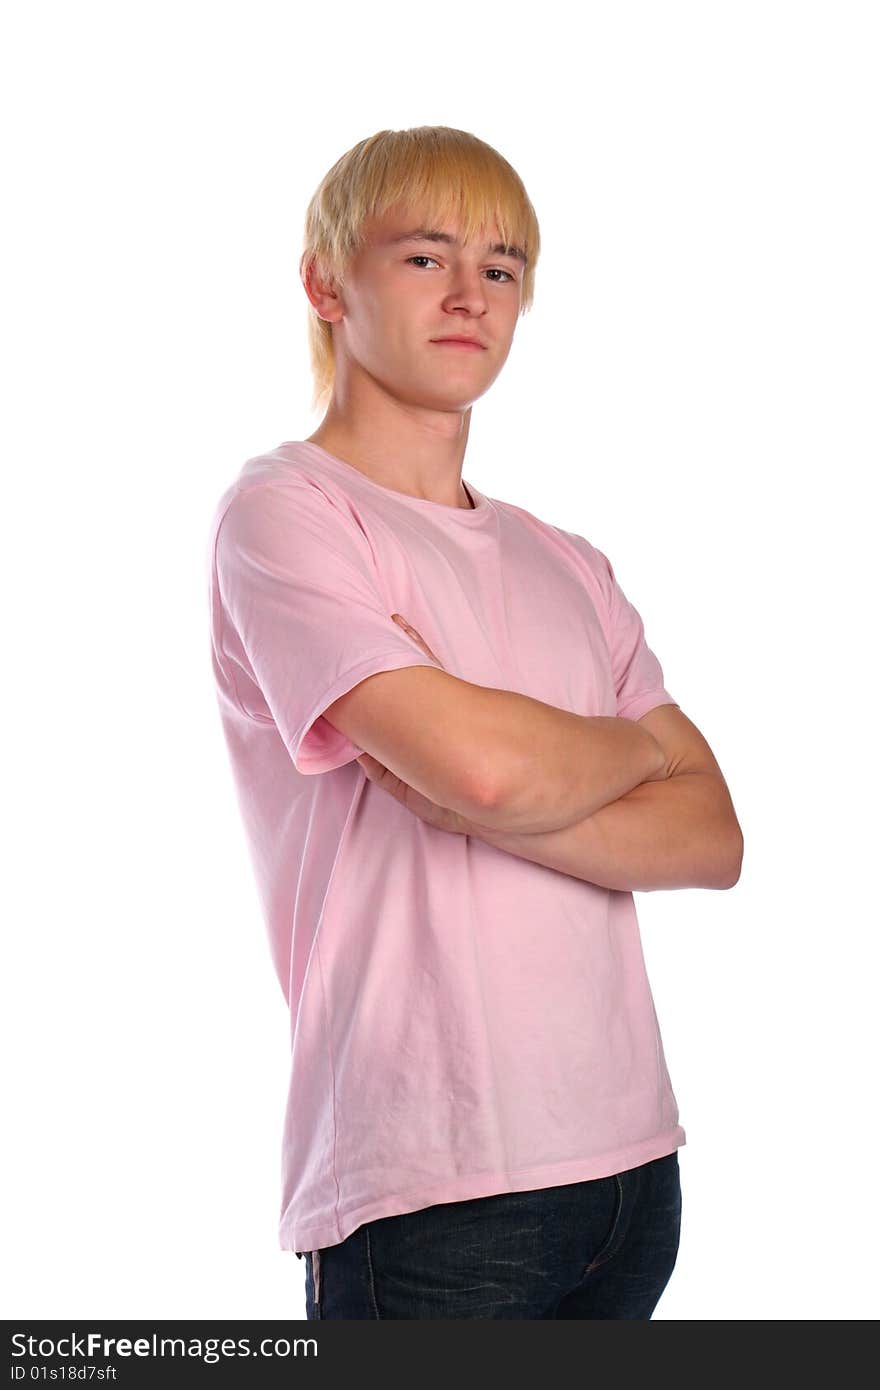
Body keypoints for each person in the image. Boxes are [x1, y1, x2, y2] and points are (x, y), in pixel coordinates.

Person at [205, 125, 743, 1319]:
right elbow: (491, 772)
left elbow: (712, 837)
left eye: (501, 268)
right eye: (425, 257)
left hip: (632, 1172)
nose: (470, 295)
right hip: (430, 1185)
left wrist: (527, 776)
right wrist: (630, 754)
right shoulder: (286, 515)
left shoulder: (567, 559)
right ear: (325, 282)